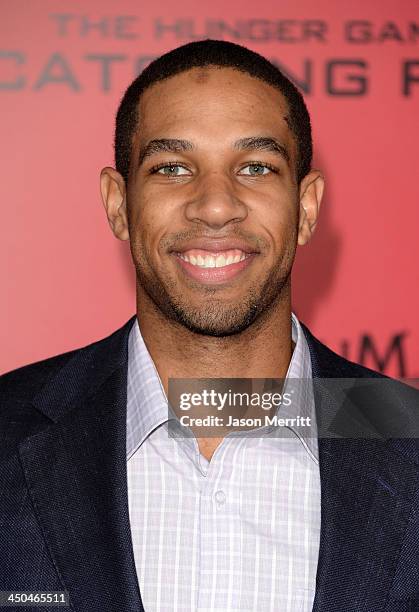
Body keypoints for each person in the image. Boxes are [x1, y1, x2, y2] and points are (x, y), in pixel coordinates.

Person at [1, 39, 418, 612]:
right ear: (119, 204)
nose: (216, 206)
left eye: (255, 167)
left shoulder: (409, 435)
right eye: (172, 168)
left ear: (308, 207)